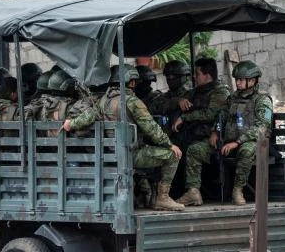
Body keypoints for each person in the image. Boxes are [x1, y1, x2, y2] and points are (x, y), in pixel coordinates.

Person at [181, 60, 273, 206]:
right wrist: (215, 132)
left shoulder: (262, 99)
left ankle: (238, 190)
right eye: (237, 80)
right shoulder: (233, 98)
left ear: (252, 80)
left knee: (247, 150)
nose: (237, 83)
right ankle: (193, 192)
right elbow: (221, 116)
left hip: (250, 142)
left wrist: (237, 142)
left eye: (241, 80)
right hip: (227, 142)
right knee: (195, 150)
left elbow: (262, 127)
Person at [98, 64, 183, 211]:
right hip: (130, 154)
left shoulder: (103, 101)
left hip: (110, 154)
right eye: (135, 81)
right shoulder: (131, 101)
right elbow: (151, 127)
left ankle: (148, 195)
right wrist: (169, 145)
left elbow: (89, 118)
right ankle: (162, 198)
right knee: (172, 156)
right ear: (131, 82)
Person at [171, 57, 232, 149]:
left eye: (197, 74)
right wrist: (180, 101)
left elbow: (210, 114)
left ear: (207, 76)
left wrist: (184, 118)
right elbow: (177, 98)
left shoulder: (220, 92)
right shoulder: (197, 91)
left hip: (209, 138)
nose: (194, 77)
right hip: (192, 135)